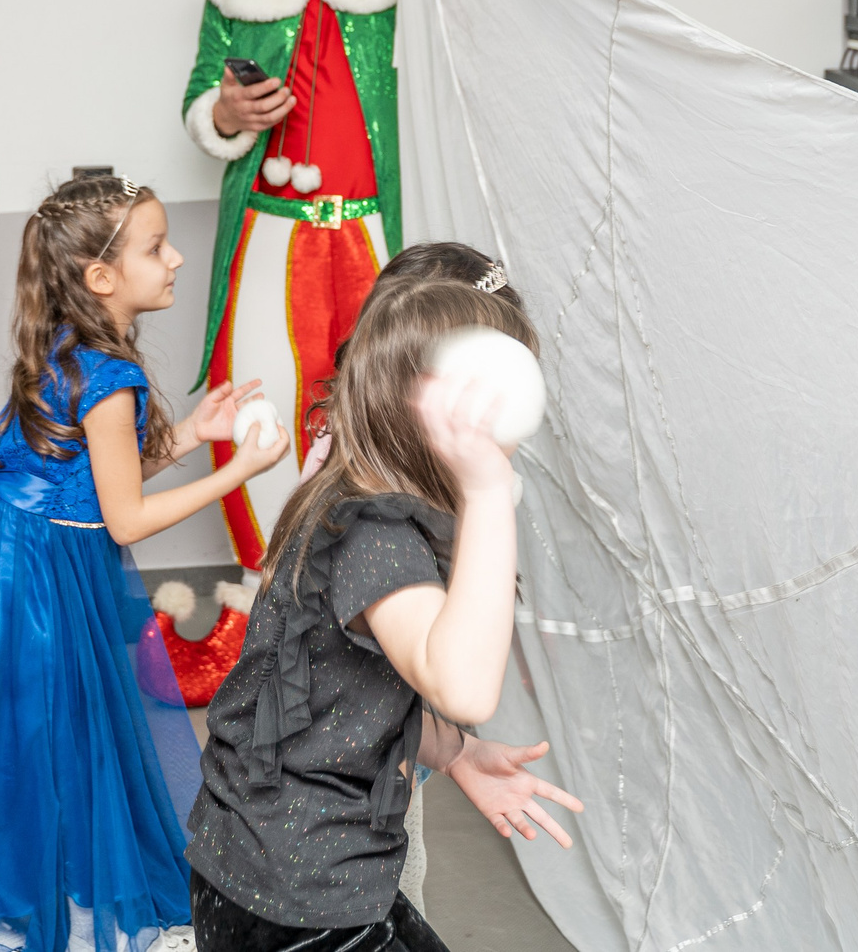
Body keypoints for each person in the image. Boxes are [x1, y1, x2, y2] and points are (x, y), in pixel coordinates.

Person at [0, 175, 290, 952]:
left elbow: (85, 479)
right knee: (39, 733)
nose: (177, 257)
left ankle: (7, 897)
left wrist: (193, 433)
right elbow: (126, 515)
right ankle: (30, 914)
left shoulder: (73, 346)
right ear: (101, 278)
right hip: (26, 575)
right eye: (157, 246)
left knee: (10, 734)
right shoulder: (112, 377)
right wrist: (237, 470)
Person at [185, 273, 584, 952]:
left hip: (263, 865)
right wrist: (488, 487)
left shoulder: (350, 493)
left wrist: (456, 750)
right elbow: (460, 683)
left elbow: (336, 697)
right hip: (294, 891)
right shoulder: (376, 535)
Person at [180, 0, 401, 570]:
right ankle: (271, 608)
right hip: (270, 233)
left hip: (383, 229)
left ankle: (392, 608)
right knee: (263, 418)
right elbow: (198, 91)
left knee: (397, 417)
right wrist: (226, 112)